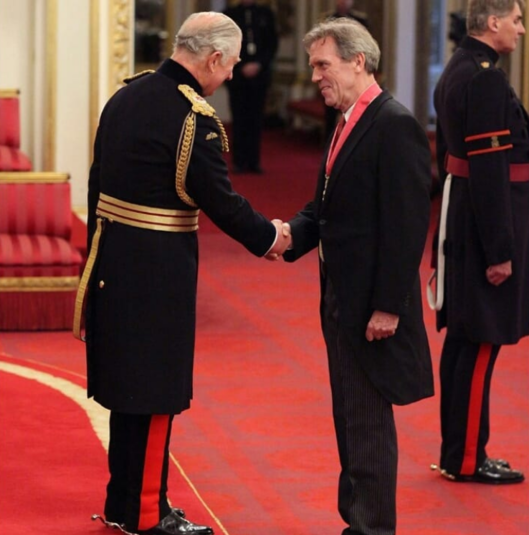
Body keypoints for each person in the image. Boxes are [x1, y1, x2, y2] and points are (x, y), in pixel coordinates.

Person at [72, 11, 291, 535]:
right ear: (213, 58)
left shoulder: (126, 96)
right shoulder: (193, 117)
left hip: (113, 260)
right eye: (230, 64)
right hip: (158, 272)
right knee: (154, 394)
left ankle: (123, 504)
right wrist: (270, 237)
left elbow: (97, 185)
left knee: (126, 389)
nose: (231, 74)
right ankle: (148, 514)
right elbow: (221, 200)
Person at [274, 18, 434, 535]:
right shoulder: (346, 121)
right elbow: (325, 208)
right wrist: (286, 236)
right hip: (341, 298)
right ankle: (358, 522)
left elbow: (406, 227)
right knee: (350, 418)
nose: (315, 76)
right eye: (313, 66)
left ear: (357, 61)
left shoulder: (393, 124)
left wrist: (388, 306)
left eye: (323, 64)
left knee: (366, 424)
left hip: (370, 306)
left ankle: (372, 528)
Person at [430, 0, 527, 484]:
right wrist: (500, 251)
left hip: (462, 214)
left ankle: (458, 452)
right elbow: (490, 170)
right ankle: (467, 458)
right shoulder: (484, 77)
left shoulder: (459, 66)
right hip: (485, 220)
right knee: (481, 341)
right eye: (517, 20)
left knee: (465, 342)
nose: (521, 30)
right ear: (493, 23)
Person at [223, 0, 278, 174]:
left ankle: (254, 161)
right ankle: (239, 161)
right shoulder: (230, 15)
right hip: (237, 77)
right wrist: (240, 65)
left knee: (256, 119)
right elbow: (225, 45)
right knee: (239, 118)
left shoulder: (265, 14)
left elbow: (272, 44)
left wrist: (259, 64)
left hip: (259, 77)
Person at [323, 0, 369, 140]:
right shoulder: (327, 21)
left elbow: (366, 50)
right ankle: (330, 145)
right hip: (332, 74)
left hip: (353, 76)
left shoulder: (360, 22)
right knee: (331, 114)